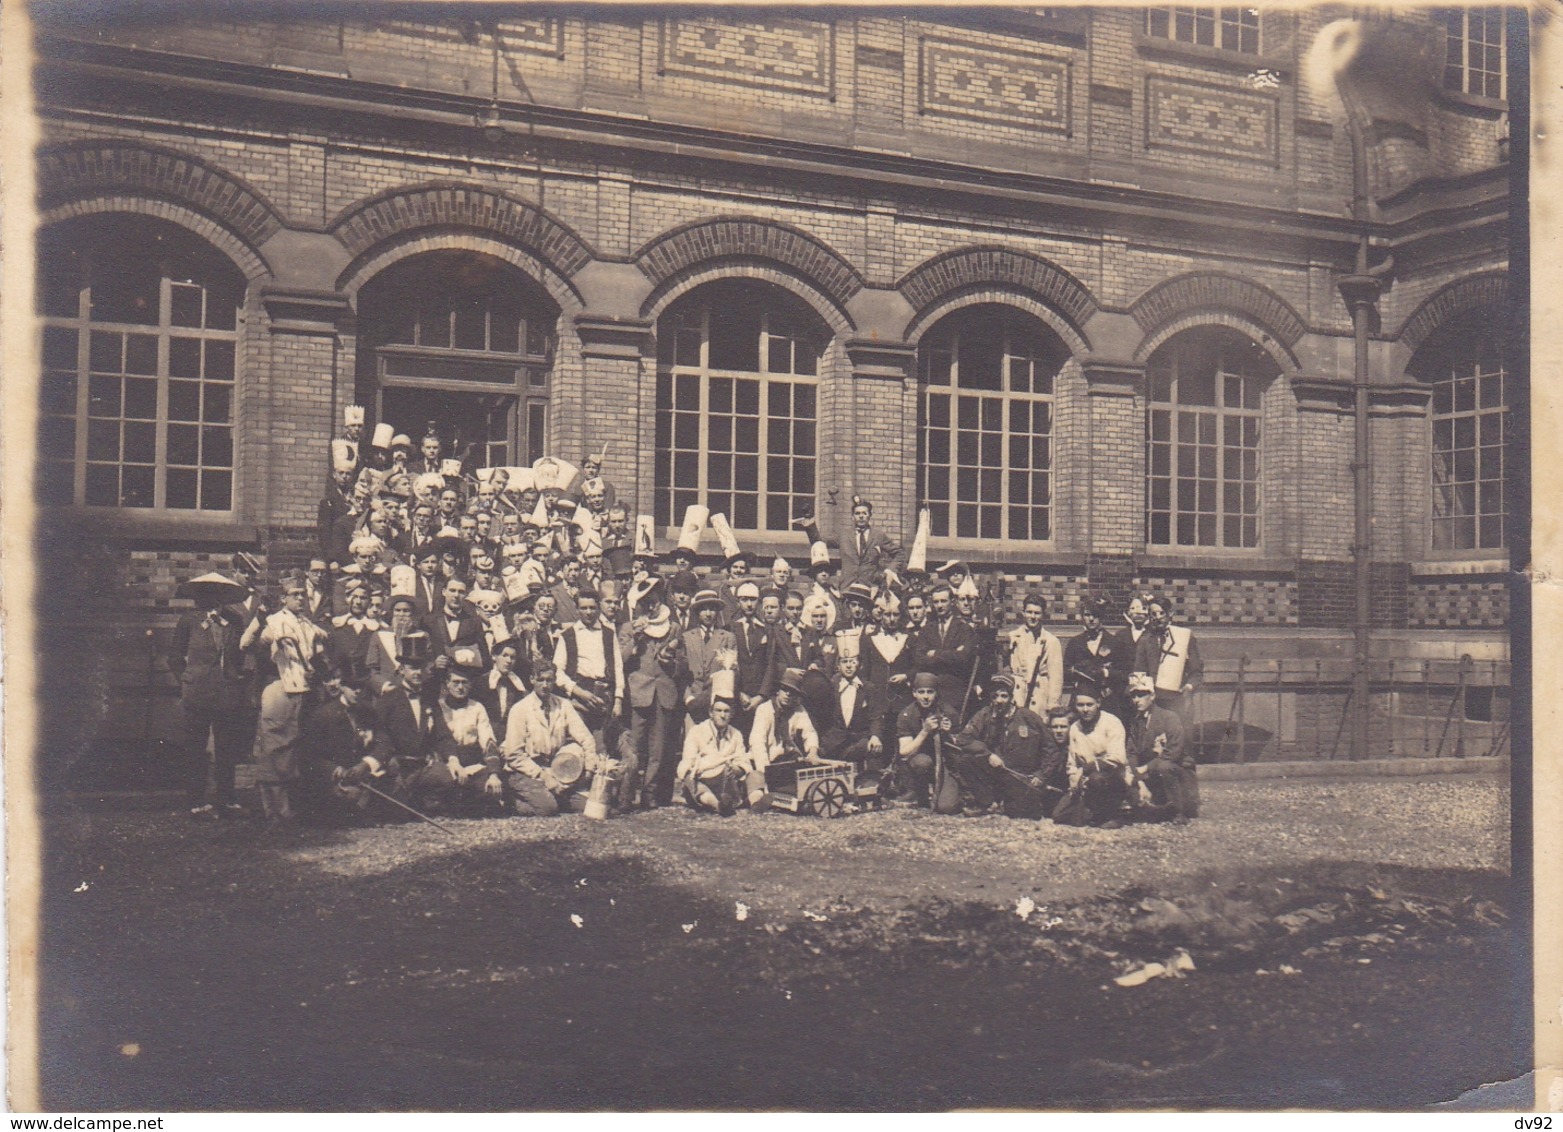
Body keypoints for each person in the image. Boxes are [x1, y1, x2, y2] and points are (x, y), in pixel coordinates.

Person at [242, 575, 327, 820]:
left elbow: (317, 656)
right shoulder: (273, 622)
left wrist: (316, 668)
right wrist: (267, 636)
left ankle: (293, 805)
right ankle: (274, 808)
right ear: (283, 598)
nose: (300, 598)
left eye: (302, 594)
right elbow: (251, 647)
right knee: (276, 744)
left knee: (297, 745)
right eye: (294, 594)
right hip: (279, 687)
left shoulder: (308, 625)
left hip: (304, 690)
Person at [168, 573, 250, 820]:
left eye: (217, 593)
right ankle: (196, 802)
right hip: (197, 695)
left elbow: (240, 655)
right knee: (195, 748)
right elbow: (174, 658)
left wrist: (235, 678)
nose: (212, 598)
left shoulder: (234, 620)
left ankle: (226, 800)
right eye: (206, 593)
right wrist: (187, 680)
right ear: (198, 596)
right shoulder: (189, 621)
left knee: (227, 748)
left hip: (226, 694)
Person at [497, 663, 603, 816]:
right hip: (523, 772)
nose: (545, 685)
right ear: (532, 679)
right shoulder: (520, 709)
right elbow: (513, 755)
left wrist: (589, 768)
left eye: (549, 680)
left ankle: (551, 796)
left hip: (554, 771)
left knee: (587, 806)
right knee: (548, 808)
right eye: (541, 680)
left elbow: (586, 738)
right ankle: (510, 800)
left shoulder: (563, 705)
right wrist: (544, 777)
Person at [950, 673, 1059, 819]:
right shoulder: (985, 714)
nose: (999, 701)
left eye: (1003, 696)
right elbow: (963, 739)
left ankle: (1006, 801)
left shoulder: (1028, 717)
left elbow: (1050, 747)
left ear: (1011, 697)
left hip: (1020, 776)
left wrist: (1042, 774)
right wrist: (988, 754)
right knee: (965, 760)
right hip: (996, 771)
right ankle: (985, 802)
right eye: (995, 696)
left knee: (1018, 812)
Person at [1053, 683, 1133, 828]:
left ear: (1098, 703)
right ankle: (1093, 812)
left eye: (1089, 705)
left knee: (1098, 778)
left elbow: (1117, 758)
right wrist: (1074, 780)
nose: (1085, 710)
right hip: (1086, 783)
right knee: (1059, 815)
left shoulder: (1112, 722)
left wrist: (1085, 770)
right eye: (1080, 705)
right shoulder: (1075, 728)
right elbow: (1072, 763)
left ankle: (1115, 814)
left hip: (1112, 778)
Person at [1123, 672, 1199, 821]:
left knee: (1164, 766)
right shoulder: (1136, 722)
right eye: (1134, 696)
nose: (1137, 700)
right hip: (1153, 774)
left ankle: (1179, 811)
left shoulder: (1169, 717)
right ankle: (1152, 808)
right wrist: (1135, 773)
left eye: (1141, 695)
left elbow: (1173, 752)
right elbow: (1131, 752)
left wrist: (1145, 768)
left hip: (1177, 773)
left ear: (1152, 696)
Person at [677, 693, 766, 816]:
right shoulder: (697, 732)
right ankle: (718, 806)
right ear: (710, 713)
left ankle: (756, 803)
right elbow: (687, 761)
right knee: (689, 780)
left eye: (726, 711)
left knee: (756, 775)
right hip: (705, 782)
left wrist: (736, 769)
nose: (722, 715)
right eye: (718, 711)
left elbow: (743, 760)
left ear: (732, 714)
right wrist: (704, 769)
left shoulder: (736, 734)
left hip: (730, 784)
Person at [553, 589, 625, 735]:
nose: (588, 612)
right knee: (580, 740)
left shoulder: (609, 634)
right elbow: (558, 672)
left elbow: (618, 667)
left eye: (592, 608)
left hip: (603, 695)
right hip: (578, 697)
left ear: (598, 608)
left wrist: (618, 700)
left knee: (603, 744)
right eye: (584, 608)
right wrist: (579, 692)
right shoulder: (568, 635)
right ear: (577, 609)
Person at [799, 495, 906, 589]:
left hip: (870, 587)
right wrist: (810, 523)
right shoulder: (844, 535)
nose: (861, 516)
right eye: (857, 513)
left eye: (864, 513)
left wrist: (890, 571)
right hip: (847, 587)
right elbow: (819, 542)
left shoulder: (878, 536)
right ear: (852, 517)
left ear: (870, 515)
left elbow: (900, 553)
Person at [813, 636, 885, 772]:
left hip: (858, 741)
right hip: (834, 743)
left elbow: (875, 716)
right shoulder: (831, 686)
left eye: (852, 661)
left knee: (868, 749)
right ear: (838, 665)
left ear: (859, 664)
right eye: (844, 662)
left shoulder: (868, 688)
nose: (849, 666)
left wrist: (875, 736)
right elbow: (820, 716)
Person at [892, 671, 956, 811]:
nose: (925, 697)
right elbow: (904, 750)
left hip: (944, 762)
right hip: (920, 761)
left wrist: (949, 734)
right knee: (922, 762)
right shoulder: (906, 715)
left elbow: (961, 745)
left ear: (936, 693)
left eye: (930, 692)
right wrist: (925, 731)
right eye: (921, 692)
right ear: (914, 693)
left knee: (947, 806)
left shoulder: (948, 711)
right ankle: (920, 794)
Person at [915, 584, 978, 724]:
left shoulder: (964, 629)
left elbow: (964, 659)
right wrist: (952, 654)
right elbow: (919, 660)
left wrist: (934, 653)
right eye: (936, 602)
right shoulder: (926, 630)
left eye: (943, 601)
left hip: (955, 694)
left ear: (952, 602)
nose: (940, 605)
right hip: (930, 696)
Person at [1133, 594, 1203, 716]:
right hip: (1154, 702)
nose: (1158, 617)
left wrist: (1189, 687)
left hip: (1178, 700)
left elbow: (1196, 671)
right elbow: (1139, 670)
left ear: (1170, 613)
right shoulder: (1145, 640)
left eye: (1161, 613)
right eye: (1153, 614)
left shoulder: (1184, 637)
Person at [680, 588, 735, 725]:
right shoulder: (687, 638)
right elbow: (680, 674)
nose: (708, 614)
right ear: (697, 612)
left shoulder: (727, 637)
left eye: (712, 609)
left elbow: (732, 671)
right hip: (692, 702)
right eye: (704, 609)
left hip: (717, 702)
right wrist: (688, 698)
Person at [1006, 592, 1064, 718]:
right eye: (1029, 612)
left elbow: (1056, 677)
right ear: (1023, 612)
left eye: (1037, 613)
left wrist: (1053, 705)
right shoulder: (1012, 637)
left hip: (1039, 694)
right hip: (1018, 694)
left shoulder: (1051, 641)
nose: (1032, 616)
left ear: (1043, 614)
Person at [1063, 596, 1120, 706]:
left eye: (1096, 615)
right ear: (1083, 617)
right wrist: (1076, 670)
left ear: (1102, 617)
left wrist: (1105, 672)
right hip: (1081, 699)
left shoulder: (1114, 642)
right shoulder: (1075, 643)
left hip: (1107, 700)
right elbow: (1065, 671)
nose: (1091, 619)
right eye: (1087, 615)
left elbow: (1123, 673)